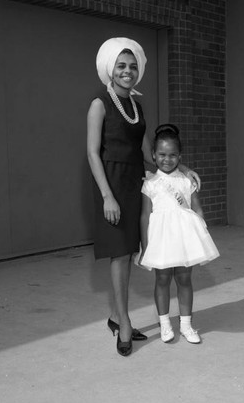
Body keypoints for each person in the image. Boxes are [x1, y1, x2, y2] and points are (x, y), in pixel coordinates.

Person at [87, 38, 200, 357]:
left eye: (132, 66)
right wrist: (107, 195)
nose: (128, 71)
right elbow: (92, 153)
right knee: (120, 253)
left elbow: (149, 153)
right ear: (111, 68)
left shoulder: (137, 105)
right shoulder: (99, 104)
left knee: (131, 251)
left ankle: (115, 315)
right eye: (121, 66)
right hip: (110, 183)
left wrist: (183, 170)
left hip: (135, 182)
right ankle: (123, 323)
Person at [137, 124, 220, 344]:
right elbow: (145, 216)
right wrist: (145, 245)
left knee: (184, 278)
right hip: (161, 239)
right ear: (153, 155)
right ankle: (165, 324)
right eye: (162, 154)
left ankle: (186, 325)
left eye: (173, 155)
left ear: (180, 156)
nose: (167, 159)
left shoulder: (187, 181)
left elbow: (197, 209)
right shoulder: (149, 184)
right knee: (162, 278)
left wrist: (201, 234)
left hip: (184, 238)